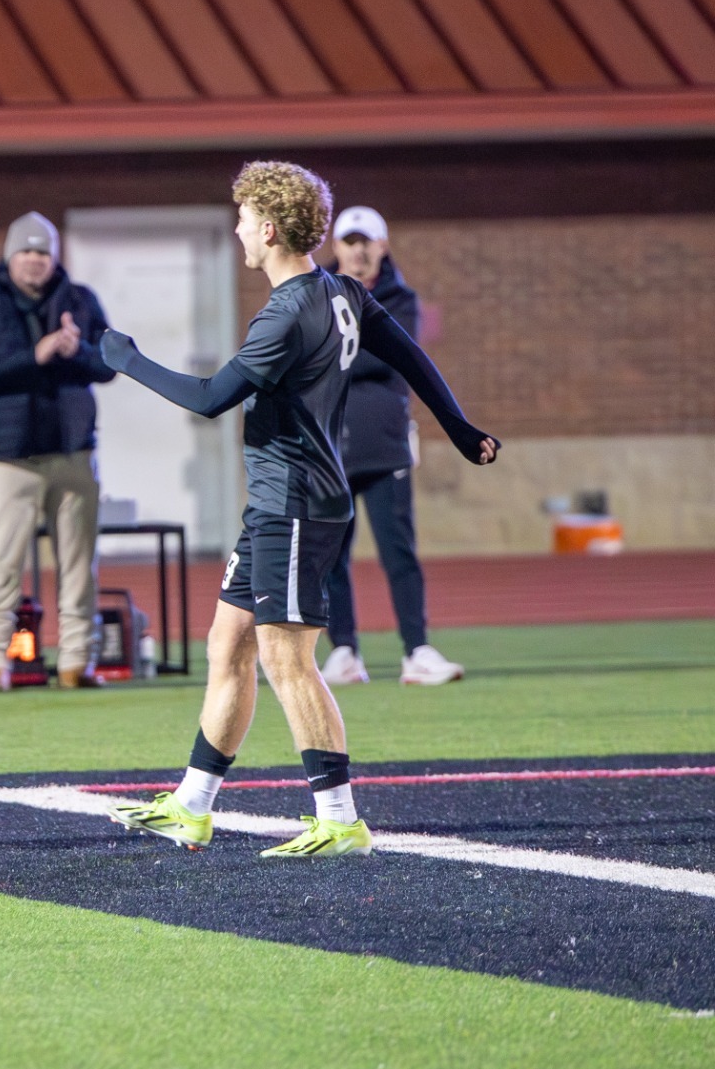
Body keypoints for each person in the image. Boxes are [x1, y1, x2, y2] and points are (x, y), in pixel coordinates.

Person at [98, 162, 498, 859]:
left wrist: (126, 359)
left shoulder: (286, 312)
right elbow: (410, 357)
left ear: (271, 227)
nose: (238, 229)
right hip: (279, 504)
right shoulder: (340, 290)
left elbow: (208, 398)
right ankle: (191, 805)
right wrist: (461, 429)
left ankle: (339, 817)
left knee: (286, 657)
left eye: (246, 217)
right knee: (228, 644)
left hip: (296, 505)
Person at [0, 212, 115, 691]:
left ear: (54, 257)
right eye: (26, 251)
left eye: (43, 252)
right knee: (0, 561)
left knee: (79, 562)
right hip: (9, 455)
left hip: (72, 450)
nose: (35, 261)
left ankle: (76, 662)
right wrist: (36, 355)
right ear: (10, 257)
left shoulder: (81, 301)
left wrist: (76, 350)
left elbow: (108, 365)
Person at [318, 206, 465, 687]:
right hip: (330, 447)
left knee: (399, 551)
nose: (358, 251)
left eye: (368, 242)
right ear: (336, 247)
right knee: (332, 556)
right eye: (350, 241)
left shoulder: (401, 299)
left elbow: (385, 359)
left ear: (382, 246)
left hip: (385, 450)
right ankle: (343, 650)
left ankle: (416, 650)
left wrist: (339, 351)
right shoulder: (317, 292)